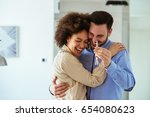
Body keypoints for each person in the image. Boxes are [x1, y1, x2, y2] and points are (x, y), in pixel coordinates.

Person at [50, 11, 135, 100]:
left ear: (109, 32)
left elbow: (129, 85)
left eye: (100, 36)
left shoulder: (118, 51)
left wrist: (110, 64)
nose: (94, 40)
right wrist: (52, 89)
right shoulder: (79, 51)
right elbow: (64, 77)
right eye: (91, 34)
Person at [51, 12, 107, 100]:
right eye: (78, 40)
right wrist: (107, 57)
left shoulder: (69, 55)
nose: (82, 46)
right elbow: (93, 81)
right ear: (67, 37)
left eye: (85, 42)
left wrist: (52, 88)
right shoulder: (66, 58)